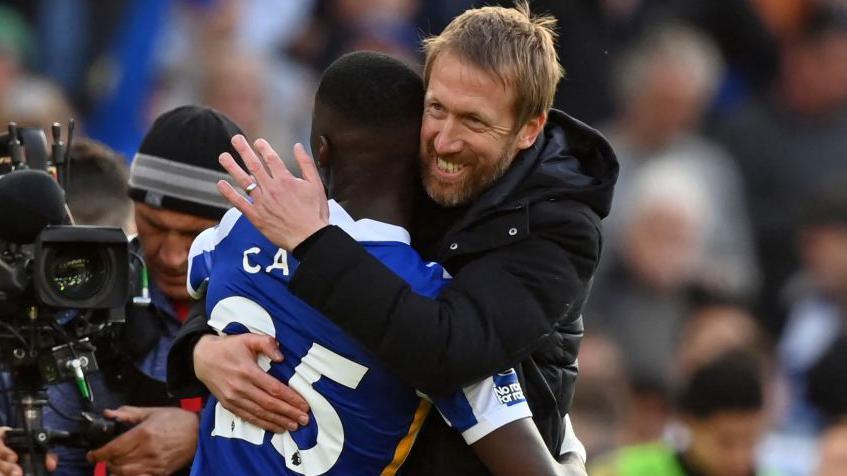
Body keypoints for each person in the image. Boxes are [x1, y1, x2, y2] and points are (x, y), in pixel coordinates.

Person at [169, 2, 617, 473]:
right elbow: (229, 273)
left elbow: (447, 354)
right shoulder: (401, 171)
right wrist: (201, 350)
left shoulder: (559, 229)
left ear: (529, 129)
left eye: (474, 121)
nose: (444, 141)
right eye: (437, 109)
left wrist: (314, 245)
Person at [0, 106, 312, 476]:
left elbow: (326, 439)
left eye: (195, 235)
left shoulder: (286, 304)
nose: (171, 255)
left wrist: (201, 434)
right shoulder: (82, 286)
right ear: (133, 209)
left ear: (242, 226)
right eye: (153, 227)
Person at [589, 351, 770, 476]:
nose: (739, 457)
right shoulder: (620, 470)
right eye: (726, 442)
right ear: (689, 422)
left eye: (750, 440)